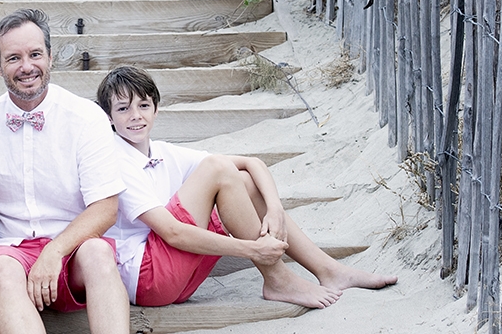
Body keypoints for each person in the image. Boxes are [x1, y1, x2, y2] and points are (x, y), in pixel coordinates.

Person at [96, 65, 397, 308]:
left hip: (177, 276)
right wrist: (252, 249)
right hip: (149, 279)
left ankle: (329, 271)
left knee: (241, 179)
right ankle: (278, 279)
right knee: (217, 168)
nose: (135, 116)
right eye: (123, 109)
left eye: (143, 105)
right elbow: (172, 232)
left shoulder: (161, 152)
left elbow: (252, 163)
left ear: (156, 109)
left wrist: (276, 209)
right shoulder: (115, 159)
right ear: (109, 118)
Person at [0, 8, 146, 334]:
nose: (26, 66)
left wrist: (55, 250)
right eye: (13, 58)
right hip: (11, 247)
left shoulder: (85, 117)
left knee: (101, 257)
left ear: (50, 57)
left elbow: (106, 206)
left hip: (72, 244)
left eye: (35, 54)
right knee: (3, 271)